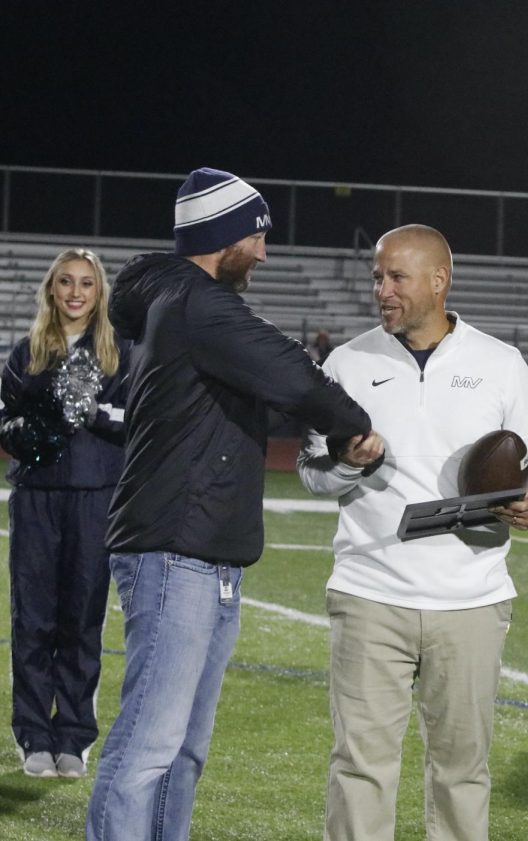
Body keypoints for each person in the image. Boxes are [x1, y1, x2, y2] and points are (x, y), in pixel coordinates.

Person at [86, 168, 378, 841]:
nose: (265, 252)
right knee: (148, 745)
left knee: (183, 748)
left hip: (204, 548)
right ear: (226, 237)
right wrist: (352, 425)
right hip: (175, 548)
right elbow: (290, 371)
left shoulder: (184, 301)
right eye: (257, 234)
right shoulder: (201, 305)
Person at [298, 224, 528, 841]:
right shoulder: (347, 361)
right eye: (376, 278)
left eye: (396, 277)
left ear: (440, 281)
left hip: (471, 598)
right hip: (369, 592)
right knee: (360, 768)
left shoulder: (501, 363)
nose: (381, 290)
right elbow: (313, 472)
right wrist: (348, 464)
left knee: (462, 772)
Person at [0, 248, 129, 780]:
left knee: (81, 619)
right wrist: (43, 428)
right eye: (66, 283)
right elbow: (5, 422)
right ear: (52, 289)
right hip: (36, 498)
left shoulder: (120, 354)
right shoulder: (25, 353)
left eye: (87, 285)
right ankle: (33, 733)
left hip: (95, 497)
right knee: (31, 619)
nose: (76, 293)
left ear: (99, 294)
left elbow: (136, 423)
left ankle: (74, 736)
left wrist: (91, 412)